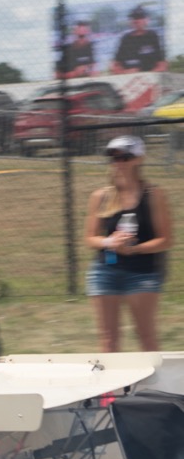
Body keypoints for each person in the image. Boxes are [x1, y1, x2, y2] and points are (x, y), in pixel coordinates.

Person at [83, 135, 172, 352]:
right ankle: (110, 387)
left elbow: (166, 239)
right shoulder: (101, 196)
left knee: (146, 336)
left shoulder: (153, 194)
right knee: (108, 340)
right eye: (113, 157)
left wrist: (135, 248)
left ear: (139, 159)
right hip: (105, 271)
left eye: (125, 157)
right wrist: (110, 242)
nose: (118, 162)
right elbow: (90, 238)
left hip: (143, 273)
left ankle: (154, 387)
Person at [110, 6, 167, 75]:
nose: (136, 21)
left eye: (139, 18)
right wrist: (125, 73)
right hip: (128, 78)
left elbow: (162, 65)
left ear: (146, 20)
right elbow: (115, 65)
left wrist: (148, 74)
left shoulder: (153, 36)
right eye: (133, 18)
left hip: (150, 77)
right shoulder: (125, 39)